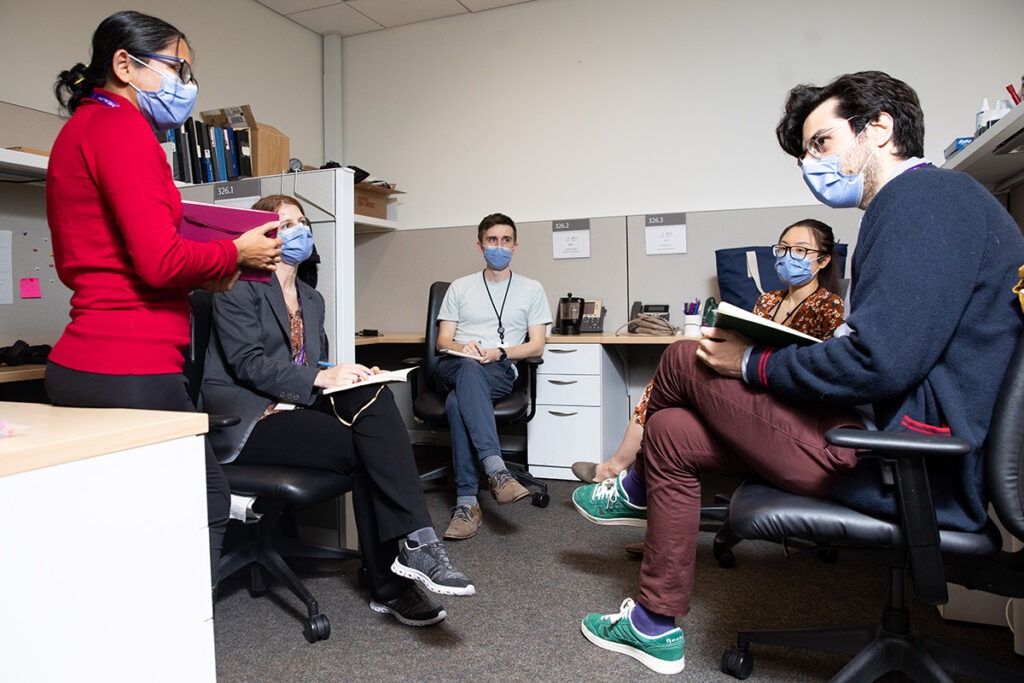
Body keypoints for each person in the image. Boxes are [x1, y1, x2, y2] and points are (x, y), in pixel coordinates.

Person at [573, 70, 1024, 675]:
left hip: (900, 459)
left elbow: (877, 361)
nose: (811, 164)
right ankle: (654, 624)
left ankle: (632, 489)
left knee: (685, 356)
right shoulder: (928, 206)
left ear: (880, 129)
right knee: (671, 435)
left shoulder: (925, 202)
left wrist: (753, 361)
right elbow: (890, 349)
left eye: (822, 143)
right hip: (894, 442)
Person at [44, 11, 282, 587]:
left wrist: (213, 265)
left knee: (122, 523)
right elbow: (161, 261)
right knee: (203, 500)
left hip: (83, 360)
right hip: (132, 363)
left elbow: (120, 258)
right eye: (177, 68)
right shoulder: (123, 129)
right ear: (124, 64)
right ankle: (178, 649)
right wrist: (236, 254)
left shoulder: (82, 128)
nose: (187, 85)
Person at [201, 195, 474, 627]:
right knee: (371, 450)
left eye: (303, 222)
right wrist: (318, 379)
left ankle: (414, 548)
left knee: (375, 400)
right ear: (263, 234)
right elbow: (247, 363)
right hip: (251, 418)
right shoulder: (237, 285)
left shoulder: (311, 298)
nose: (300, 231)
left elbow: (310, 363)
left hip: (296, 404)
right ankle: (391, 579)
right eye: (286, 223)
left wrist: (353, 374)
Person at [571, 218, 845, 485]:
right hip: (747, 381)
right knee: (662, 391)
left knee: (675, 367)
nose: (788, 257)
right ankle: (625, 473)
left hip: (785, 396)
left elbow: (824, 364)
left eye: (799, 250)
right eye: (783, 248)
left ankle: (617, 472)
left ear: (823, 260)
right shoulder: (768, 300)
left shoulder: (829, 305)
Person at [435, 213, 552, 540]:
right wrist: (464, 346)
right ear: (480, 245)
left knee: (458, 403)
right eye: (492, 240)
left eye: (505, 240)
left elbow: (537, 344)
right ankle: (496, 471)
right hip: (456, 365)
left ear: (515, 247)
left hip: (499, 369)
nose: (498, 246)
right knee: (468, 370)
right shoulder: (461, 287)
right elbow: (442, 341)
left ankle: (467, 502)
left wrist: (500, 352)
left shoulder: (531, 289)